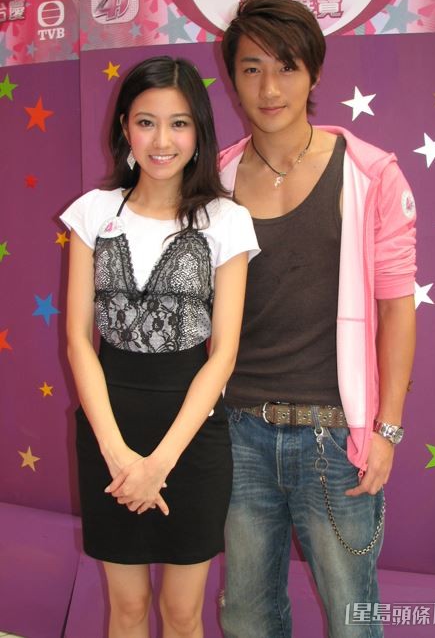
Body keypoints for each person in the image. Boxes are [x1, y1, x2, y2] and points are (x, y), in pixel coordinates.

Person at [218, 0, 416, 637]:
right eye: (251, 69)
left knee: (353, 621)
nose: (269, 89)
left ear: (314, 73)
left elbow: (396, 308)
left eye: (287, 67)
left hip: (336, 441)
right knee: (246, 619)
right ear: (231, 77)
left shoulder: (369, 173)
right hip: (238, 434)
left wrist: (387, 431)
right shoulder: (216, 180)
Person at [61, 56, 259, 638]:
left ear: (199, 131)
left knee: (182, 614)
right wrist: (120, 457)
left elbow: (223, 353)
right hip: (109, 431)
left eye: (179, 123)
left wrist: (160, 464)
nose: (162, 140)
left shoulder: (227, 220)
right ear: (125, 126)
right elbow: (78, 340)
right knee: (126, 609)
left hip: (192, 440)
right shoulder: (93, 212)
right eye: (146, 122)